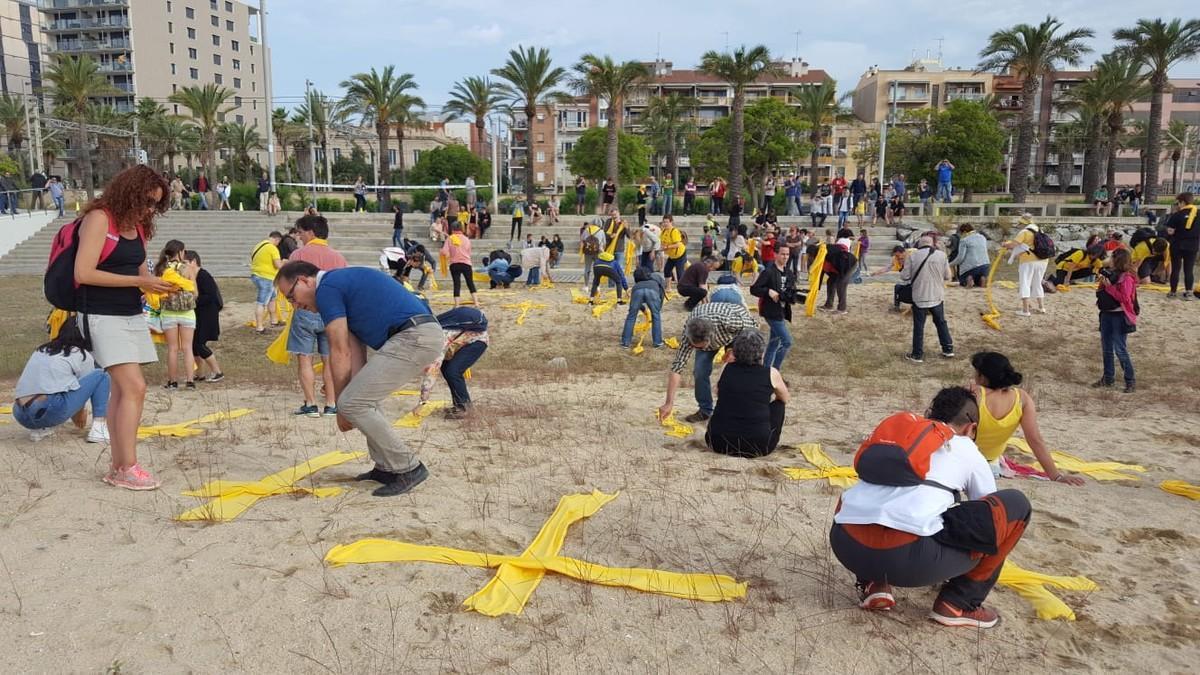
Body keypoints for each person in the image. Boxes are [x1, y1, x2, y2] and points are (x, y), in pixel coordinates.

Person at [830, 387, 1031, 628]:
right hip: (911, 560)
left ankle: (874, 584)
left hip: (848, 548)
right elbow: (987, 513)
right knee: (1016, 506)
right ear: (971, 428)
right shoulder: (966, 447)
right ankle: (960, 602)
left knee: (859, 497)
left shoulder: (901, 441)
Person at [276, 262, 440, 496]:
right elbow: (354, 353)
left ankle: (408, 467)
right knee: (362, 399)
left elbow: (339, 351)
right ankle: (385, 467)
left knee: (353, 402)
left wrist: (342, 406)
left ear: (304, 280)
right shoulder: (339, 287)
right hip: (416, 335)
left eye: (291, 296)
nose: (295, 306)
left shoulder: (328, 289)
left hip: (415, 336)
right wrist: (347, 402)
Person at [74, 165, 176, 490]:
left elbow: (138, 270)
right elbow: (84, 273)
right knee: (135, 387)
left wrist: (155, 285)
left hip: (131, 312)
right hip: (101, 314)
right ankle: (128, 466)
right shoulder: (100, 219)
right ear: (129, 192)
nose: (150, 209)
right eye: (147, 201)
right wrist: (138, 281)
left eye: (155, 205)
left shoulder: (140, 226)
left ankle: (119, 466)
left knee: (123, 389)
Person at [970, 352, 1084, 482]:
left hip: (966, 463)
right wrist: (1056, 476)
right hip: (991, 467)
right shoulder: (1022, 398)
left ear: (982, 377)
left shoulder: (974, 395)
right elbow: (1035, 440)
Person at [12, 316, 110, 443]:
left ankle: (41, 429)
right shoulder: (81, 353)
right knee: (101, 375)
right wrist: (78, 415)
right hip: (49, 409)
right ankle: (99, 428)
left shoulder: (41, 349)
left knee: (53, 389)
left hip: (20, 413)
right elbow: (83, 393)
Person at [287, 214, 349, 417]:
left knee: (305, 359)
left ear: (310, 232)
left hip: (305, 311)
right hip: (331, 313)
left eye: (301, 232)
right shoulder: (338, 257)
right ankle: (331, 403)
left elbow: (289, 284)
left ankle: (311, 403)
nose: (299, 237)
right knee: (329, 359)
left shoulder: (298, 255)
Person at [659, 301, 759, 424]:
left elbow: (752, 331)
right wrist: (669, 403)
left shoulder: (730, 320)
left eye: (700, 348)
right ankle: (705, 410)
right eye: (694, 346)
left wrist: (734, 350)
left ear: (710, 338)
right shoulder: (688, 333)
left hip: (737, 334)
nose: (697, 350)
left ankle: (739, 408)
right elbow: (677, 367)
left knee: (737, 370)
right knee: (700, 371)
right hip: (714, 331)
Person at [701, 329, 789, 458]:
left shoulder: (726, 368)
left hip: (717, 441)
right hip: (757, 446)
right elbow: (785, 398)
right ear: (761, 352)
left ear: (735, 351)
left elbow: (718, 392)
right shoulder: (771, 373)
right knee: (779, 404)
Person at [415, 307, 489, 418]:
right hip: (463, 340)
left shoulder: (438, 339)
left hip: (478, 341)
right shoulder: (433, 330)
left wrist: (422, 402)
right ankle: (460, 404)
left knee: (452, 371)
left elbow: (432, 372)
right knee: (446, 368)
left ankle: (464, 409)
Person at [151, 239, 198, 390]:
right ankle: (190, 381)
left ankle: (172, 382)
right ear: (180, 252)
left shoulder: (161, 269)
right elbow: (194, 291)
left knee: (172, 348)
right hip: (187, 312)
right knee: (187, 348)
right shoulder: (187, 268)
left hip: (168, 312)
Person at [902, 235, 953, 363]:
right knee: (941, 322)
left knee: (919, 326)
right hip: (937, 295)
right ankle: (948, 349)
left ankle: (917, 354)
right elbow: (948, 276)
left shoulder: (912, 256)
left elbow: (905, 276)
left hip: (920, 296)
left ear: (919, 244)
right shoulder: (942, 255)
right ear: (932, 244)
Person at [1095, 249, 1138, 392]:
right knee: (1106, 348)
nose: (1109, 259)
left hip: (1119, 317)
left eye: (1112, 257)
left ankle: (1130, 381)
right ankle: (1108, 378)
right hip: (1106, 314)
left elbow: (1124, 298)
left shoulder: (1126, 278)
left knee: (1120, 349)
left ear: (1117, 259)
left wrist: (1109, 287)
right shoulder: (1112, 274)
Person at [750, 245, 796, 369]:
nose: (785, 257)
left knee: (773, 343)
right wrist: (768, 291)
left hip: (782, 311)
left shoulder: (789, 273)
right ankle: (775, 371)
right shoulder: (768, 272)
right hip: (771, 312)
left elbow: (790, 291)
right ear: (775, 254)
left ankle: (765, 370)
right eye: (782, 254)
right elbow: (754, 289)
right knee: (787, 341)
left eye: (787, 254)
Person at [185, 251, 224, 383]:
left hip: (208, 314)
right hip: (197, 314)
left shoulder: (203, 275)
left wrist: (192, 301)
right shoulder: (190, 277)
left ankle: (217, 371)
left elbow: (210, 296)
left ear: (193, 261)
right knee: (193, 345)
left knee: (199, 343)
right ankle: (199, 373)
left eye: (185, 263)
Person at [1003, 215, 1049, 316]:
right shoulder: (1039, 230)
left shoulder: (1024, 232)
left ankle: (1025, 310)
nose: (1018, 225)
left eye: (1019, 223)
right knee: (1037, 283)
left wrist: (1005, 245)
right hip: (1043, 260)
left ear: (1022, 223)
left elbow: (1013, 245)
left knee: (1025, 283)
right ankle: (1041, 307)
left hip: (1028, 260)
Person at [621, 267, 666, 348]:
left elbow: (634, 304)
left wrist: (641, 308)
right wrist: (658, 307)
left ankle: (625, 342)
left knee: (631, 317)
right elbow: (662, 293)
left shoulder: (637, 285)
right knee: (656, 316)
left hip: (637, 291)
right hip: (653, 291)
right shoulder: (657, 277)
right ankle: (657, 342)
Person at [1164, 192, 1198, 299]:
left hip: (1177, 244)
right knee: (1189, 269)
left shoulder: (1177, 215)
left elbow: (1170, 231)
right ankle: (1189, 292)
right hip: (1193, 245)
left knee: (1176, 268)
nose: (1178, 205)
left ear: (1183, 202)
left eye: (1178, 202)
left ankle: (1173, 292)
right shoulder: (1198, 213)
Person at [250, 231, 284, 334]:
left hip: (257, 275)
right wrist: (285, 262)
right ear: (277, 239)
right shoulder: (272, 248)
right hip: (267, 278)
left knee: (272, 299)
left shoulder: (259, 245)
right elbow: (278, 265)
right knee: (262, 302)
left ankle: (274, 320)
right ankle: (259, 327)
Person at [820, 231, 857, 314]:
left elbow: (839, 267)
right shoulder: (822, 257)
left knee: (841, 285)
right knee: (830, 282)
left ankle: (842, 308)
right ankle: (829, 305)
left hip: (848, 264)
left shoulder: (826, 257)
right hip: (839, 266)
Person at [660, 215, 687, 291]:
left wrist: (667, 247)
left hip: (680, 254)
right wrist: (661, 248)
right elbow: (663, 243)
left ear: (671, 222)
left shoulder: (674, 231)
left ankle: (682, 289)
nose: (665, 224)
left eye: (667, 222)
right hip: (672, 256)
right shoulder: (663, 232)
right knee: (667, 270)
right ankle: (668, 288)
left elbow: (678, 244)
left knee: (679, 272)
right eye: (664, 222)